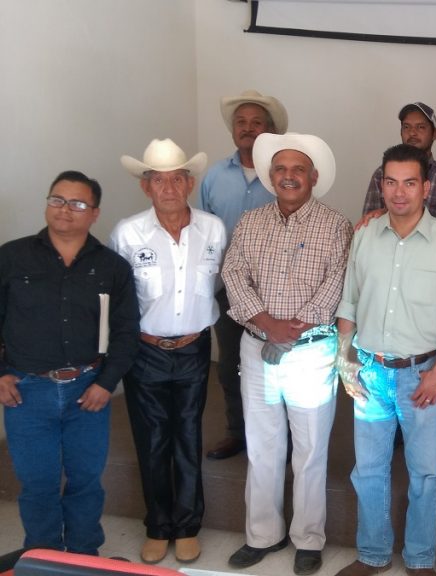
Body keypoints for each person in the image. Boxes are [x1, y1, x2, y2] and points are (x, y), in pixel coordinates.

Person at [334, 144, 436, 576]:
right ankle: (372, 554)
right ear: (381, 185)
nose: (399, 192)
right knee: (369, 470)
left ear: (426, 187)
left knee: (425, 472)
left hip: (422, 374)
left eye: (409, 183)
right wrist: (344, 360)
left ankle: (419, 559)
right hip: (370, 371)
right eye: (391, 182)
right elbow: (349, 302)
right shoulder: (364, 235)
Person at [222, 132, 353, 575]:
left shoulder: (336, 225)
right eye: (280, 169)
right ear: (270, 176)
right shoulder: (250, 222)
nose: (289, 176)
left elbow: (337, 283)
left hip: (311, 352)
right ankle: (263, 535)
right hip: (257, 346)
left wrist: (290, 330)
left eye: (298, 169)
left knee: (310, 449)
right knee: (263, 445)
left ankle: (308, 538)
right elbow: (234, 274)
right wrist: (267, 324)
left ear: (313, 177)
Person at [0, 171, 140, 555]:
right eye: (57, 200)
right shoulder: (11, 257)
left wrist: (106, 383)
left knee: (86, 482)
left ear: (94, 213)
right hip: (27, 391)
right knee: (37, 484)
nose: (65, 209)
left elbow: (127, 332)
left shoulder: (112, 267)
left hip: (87, 390)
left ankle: (83, 557)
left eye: (77, 203)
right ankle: (44, 559)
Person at [110, 139, 225, 564]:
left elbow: (216, 282)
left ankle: (188, 525)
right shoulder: (127, 233)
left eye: (177, 179)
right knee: (153, 439)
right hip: (145, 352)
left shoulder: (213, 229)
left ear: (190, 183)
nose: (169, 188)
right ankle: (159, 526)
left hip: (194, 349)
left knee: (188, 434)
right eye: (159, 181)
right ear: (146, 187)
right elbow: (118, 298)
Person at [200, 89, 288, 460]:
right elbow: (203, 232)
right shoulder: (214, 177)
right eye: (241, 122)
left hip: (276, 292)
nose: (247, 128)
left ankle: (283, 437)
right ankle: (238, 432)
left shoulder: (282, 175)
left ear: (270, 130)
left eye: (256, 123)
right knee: (230, 366)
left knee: (278, 365)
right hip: (227, 289)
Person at [362, 102, 436, 219]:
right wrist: (385, 212)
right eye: (406, 127)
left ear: (435, 134)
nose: (412, 133)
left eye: (421, 127)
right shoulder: (382, 173)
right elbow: (369, 221)